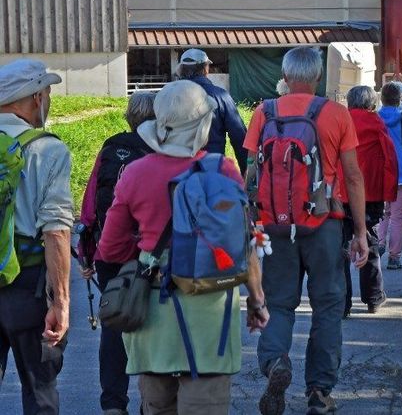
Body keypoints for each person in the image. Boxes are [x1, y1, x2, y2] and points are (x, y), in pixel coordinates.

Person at [96, 81, 269, 415]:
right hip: (211, 313)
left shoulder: (134, 173)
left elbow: (110, 248)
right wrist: (257, 300)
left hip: (153, 315)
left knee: (157, 405)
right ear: (204, 126)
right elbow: (244, 244)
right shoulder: (224, 169)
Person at [243, 47, 369, 415]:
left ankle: (275, 362)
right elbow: (353, 176)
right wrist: (360, 231)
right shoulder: (336, 114)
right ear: (317, 77)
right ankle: (319, 391)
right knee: (328, 306)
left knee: (278, 302)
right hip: (325, 224)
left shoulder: (263, 112)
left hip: (275, 224)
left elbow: (252, 170)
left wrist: (254, 220)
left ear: (285, 75)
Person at [0, 60, 73, 415]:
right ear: (32, 98)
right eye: (47, 93)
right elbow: (56, 229)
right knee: (39, 390)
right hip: (26, 283)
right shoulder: (47, 150)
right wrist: (61, 301)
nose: (49, 100)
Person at [78, 91, 156, 415]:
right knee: (154, 326)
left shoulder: (111, 147)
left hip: (109, 251)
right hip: (146, 254)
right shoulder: (160, 151)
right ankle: (152, 402)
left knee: (114, 327)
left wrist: (87, 250)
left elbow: (89, 203)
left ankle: (113, 404)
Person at [344, 86, 397, 316]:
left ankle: (342, 304)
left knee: (340, 247)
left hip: (341, 192)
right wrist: (389, 195)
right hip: (370, 193)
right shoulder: (376, 123)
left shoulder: (342, 121)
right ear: (371, 103)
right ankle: (373, 298)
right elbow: (390, 159)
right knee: (370, 240)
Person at [177, 48, 248, 167]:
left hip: (176, 170)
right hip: (212, 168)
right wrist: (245, 170)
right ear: (205, 69)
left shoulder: (168, 96)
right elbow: (239, 136)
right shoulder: (220, 96)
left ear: (181, 70)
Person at [377, 82, 402, 270]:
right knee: (399, 216)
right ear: (400, 98)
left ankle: (380, 243)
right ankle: (395, 256)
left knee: (383, 214)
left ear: (381, 98)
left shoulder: (375, 118)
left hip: (382, 172)